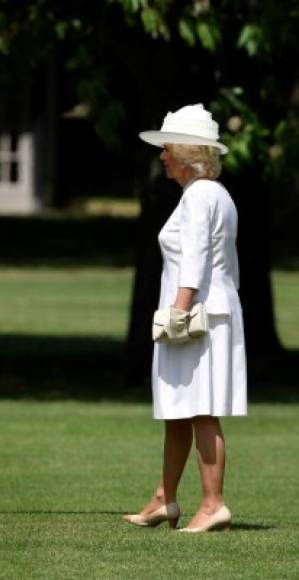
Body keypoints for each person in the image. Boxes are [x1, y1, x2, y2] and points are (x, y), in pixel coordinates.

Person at [124, 104, 247, 533]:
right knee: (179, 409)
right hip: (210, 312)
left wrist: (178, 311)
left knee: (202, 411)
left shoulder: (198, 196)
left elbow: (194, 259)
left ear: (185, 152)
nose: (161, 157)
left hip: (198, 317)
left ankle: (213, 504)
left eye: (166, 149)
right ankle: (165, 498)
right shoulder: (217, 194)